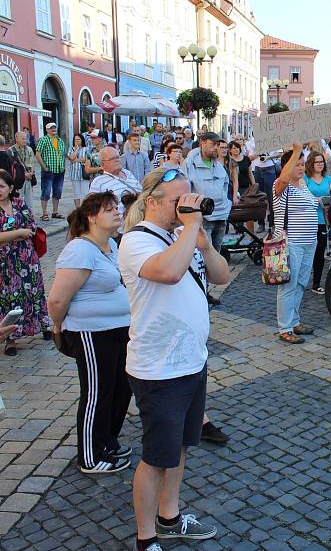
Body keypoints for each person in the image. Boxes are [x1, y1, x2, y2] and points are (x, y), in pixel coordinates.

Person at [120, 168, 230, 550]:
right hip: (158, 369)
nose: (187, 207)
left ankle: (170, 516)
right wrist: (189, 229)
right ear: (151, 203)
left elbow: (222, 276)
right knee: (155, 456)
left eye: (191, 199)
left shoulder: (180, 237)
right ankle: (145, 538)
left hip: (191, 362)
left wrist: (205, 245)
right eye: (177, 202)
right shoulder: (137, 241)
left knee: (180, 447)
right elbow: (166, 273)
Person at [48, 192, 132, 474]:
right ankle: (89, 455)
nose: (118, 213)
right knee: (98, 392)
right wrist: (58, 327)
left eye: (117, 208)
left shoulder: (111, 244)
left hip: (119, 328)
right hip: (91, 332)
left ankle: (107, 440)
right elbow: (58, 300)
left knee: (121, 388)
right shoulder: (80, 250)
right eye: (110, 210)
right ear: (92, 217)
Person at [0, 169, 51, 356]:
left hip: (26, 257)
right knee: (8, 296)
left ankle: (42, 325)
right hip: (4, 261)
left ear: (11, 187)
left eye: (2, 186)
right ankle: (10, 338)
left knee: (34, 291)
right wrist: (17, 233)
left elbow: (31, 226)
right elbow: (21, 231)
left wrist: (9, 235)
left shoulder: (19, 203)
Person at [273, 144, 319, 344]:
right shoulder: (281, 186)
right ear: (286, 167)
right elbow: (283, 178)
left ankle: (294, 321)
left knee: (300, 284)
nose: (301, 168)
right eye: (296, 165)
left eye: (302, 164)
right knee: (288, 286)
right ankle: (285, 328)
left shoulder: (303, 185)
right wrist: (295, 151)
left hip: (309, 242)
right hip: (291, 242)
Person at [181, 132, 232, 257]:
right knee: (206, 257)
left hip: (221, 216)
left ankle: (215, 277)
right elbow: (184, 190)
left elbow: (225, 187)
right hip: (203, 218)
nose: (216, 147)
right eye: (213, 144)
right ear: (202, 143)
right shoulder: (189, 164)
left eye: (218, 145)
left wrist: (227, 206)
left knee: (217, 256)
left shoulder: (219, 165)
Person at [90, 146, 143, 233]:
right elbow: (93, 208)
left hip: (140, 221)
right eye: (112, 158)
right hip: (121, 229)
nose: (117, 160)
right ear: (102, 164)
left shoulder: (127, 173)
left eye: (118, 157)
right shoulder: (98, 181)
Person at [303, 151, 331, 295]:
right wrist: (318, 200)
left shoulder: (329, 179)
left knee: (319, 252)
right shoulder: (305, 179)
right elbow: (303, 196)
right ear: (311, 163)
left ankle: (316, 283)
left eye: (322, 161)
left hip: (323, 221)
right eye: (317, 162)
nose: (320, 164)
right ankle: (300, 281)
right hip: (307, 220)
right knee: (305, 253)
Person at [35, 122, 67, 220]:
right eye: (51, 128)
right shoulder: (43, 140)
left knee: (58, 192)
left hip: (60, 170)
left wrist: (64, 166)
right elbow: (38, 154)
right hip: (48, 171)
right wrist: (44, 167)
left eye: (54, 127)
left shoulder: (60, 141)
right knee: (46, 191)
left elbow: (63, 155)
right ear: (47, 130)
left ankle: (55, 212)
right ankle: (44, 213)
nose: (53, 129)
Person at [8, 131, 36, 208]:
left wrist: (31, 173)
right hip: (19, 179)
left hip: (29, 178)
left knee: (29, 201)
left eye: (26, 139)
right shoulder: (11, 151)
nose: (25, 140)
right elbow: (12, 166)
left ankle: (29, 217)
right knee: (18, 199)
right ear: (16, 139)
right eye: (23, 139)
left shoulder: (29, 149)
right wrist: (23, 175)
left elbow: (33, 162)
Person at [67, 133, 92, 207]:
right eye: (75, 140)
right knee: (76, 193)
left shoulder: (86, 149)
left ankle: (85, 208)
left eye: (78, 139)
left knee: (85, 192)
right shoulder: (71, 148)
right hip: (74, 174)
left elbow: (86, 159)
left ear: (82, 140)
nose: (77, 141)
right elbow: (71, 157)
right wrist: (77, 149)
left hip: (84, 173)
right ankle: (78, 209)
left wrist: (76, 160)